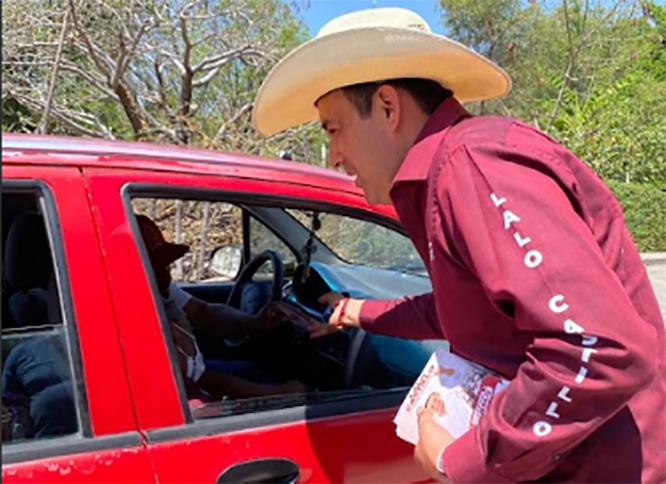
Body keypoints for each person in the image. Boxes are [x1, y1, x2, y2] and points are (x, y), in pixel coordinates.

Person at [251, 7, 665, 483]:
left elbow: (601, 348)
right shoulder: (446, 175)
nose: (335, 156)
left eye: (333, 128)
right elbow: (461, 309)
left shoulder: (473, 166)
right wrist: (355, 311)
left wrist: (463, 462)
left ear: (387, 107)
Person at [135, 214, 306, 399]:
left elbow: (203, 312)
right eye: (156, 263)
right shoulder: (135, 314)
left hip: (201, 375)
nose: (167, 269)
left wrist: (255, 321)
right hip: (192, 394)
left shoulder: (159, 288)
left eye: (166, 262)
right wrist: (278, 394)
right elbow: (201, 381)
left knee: (254, 369)